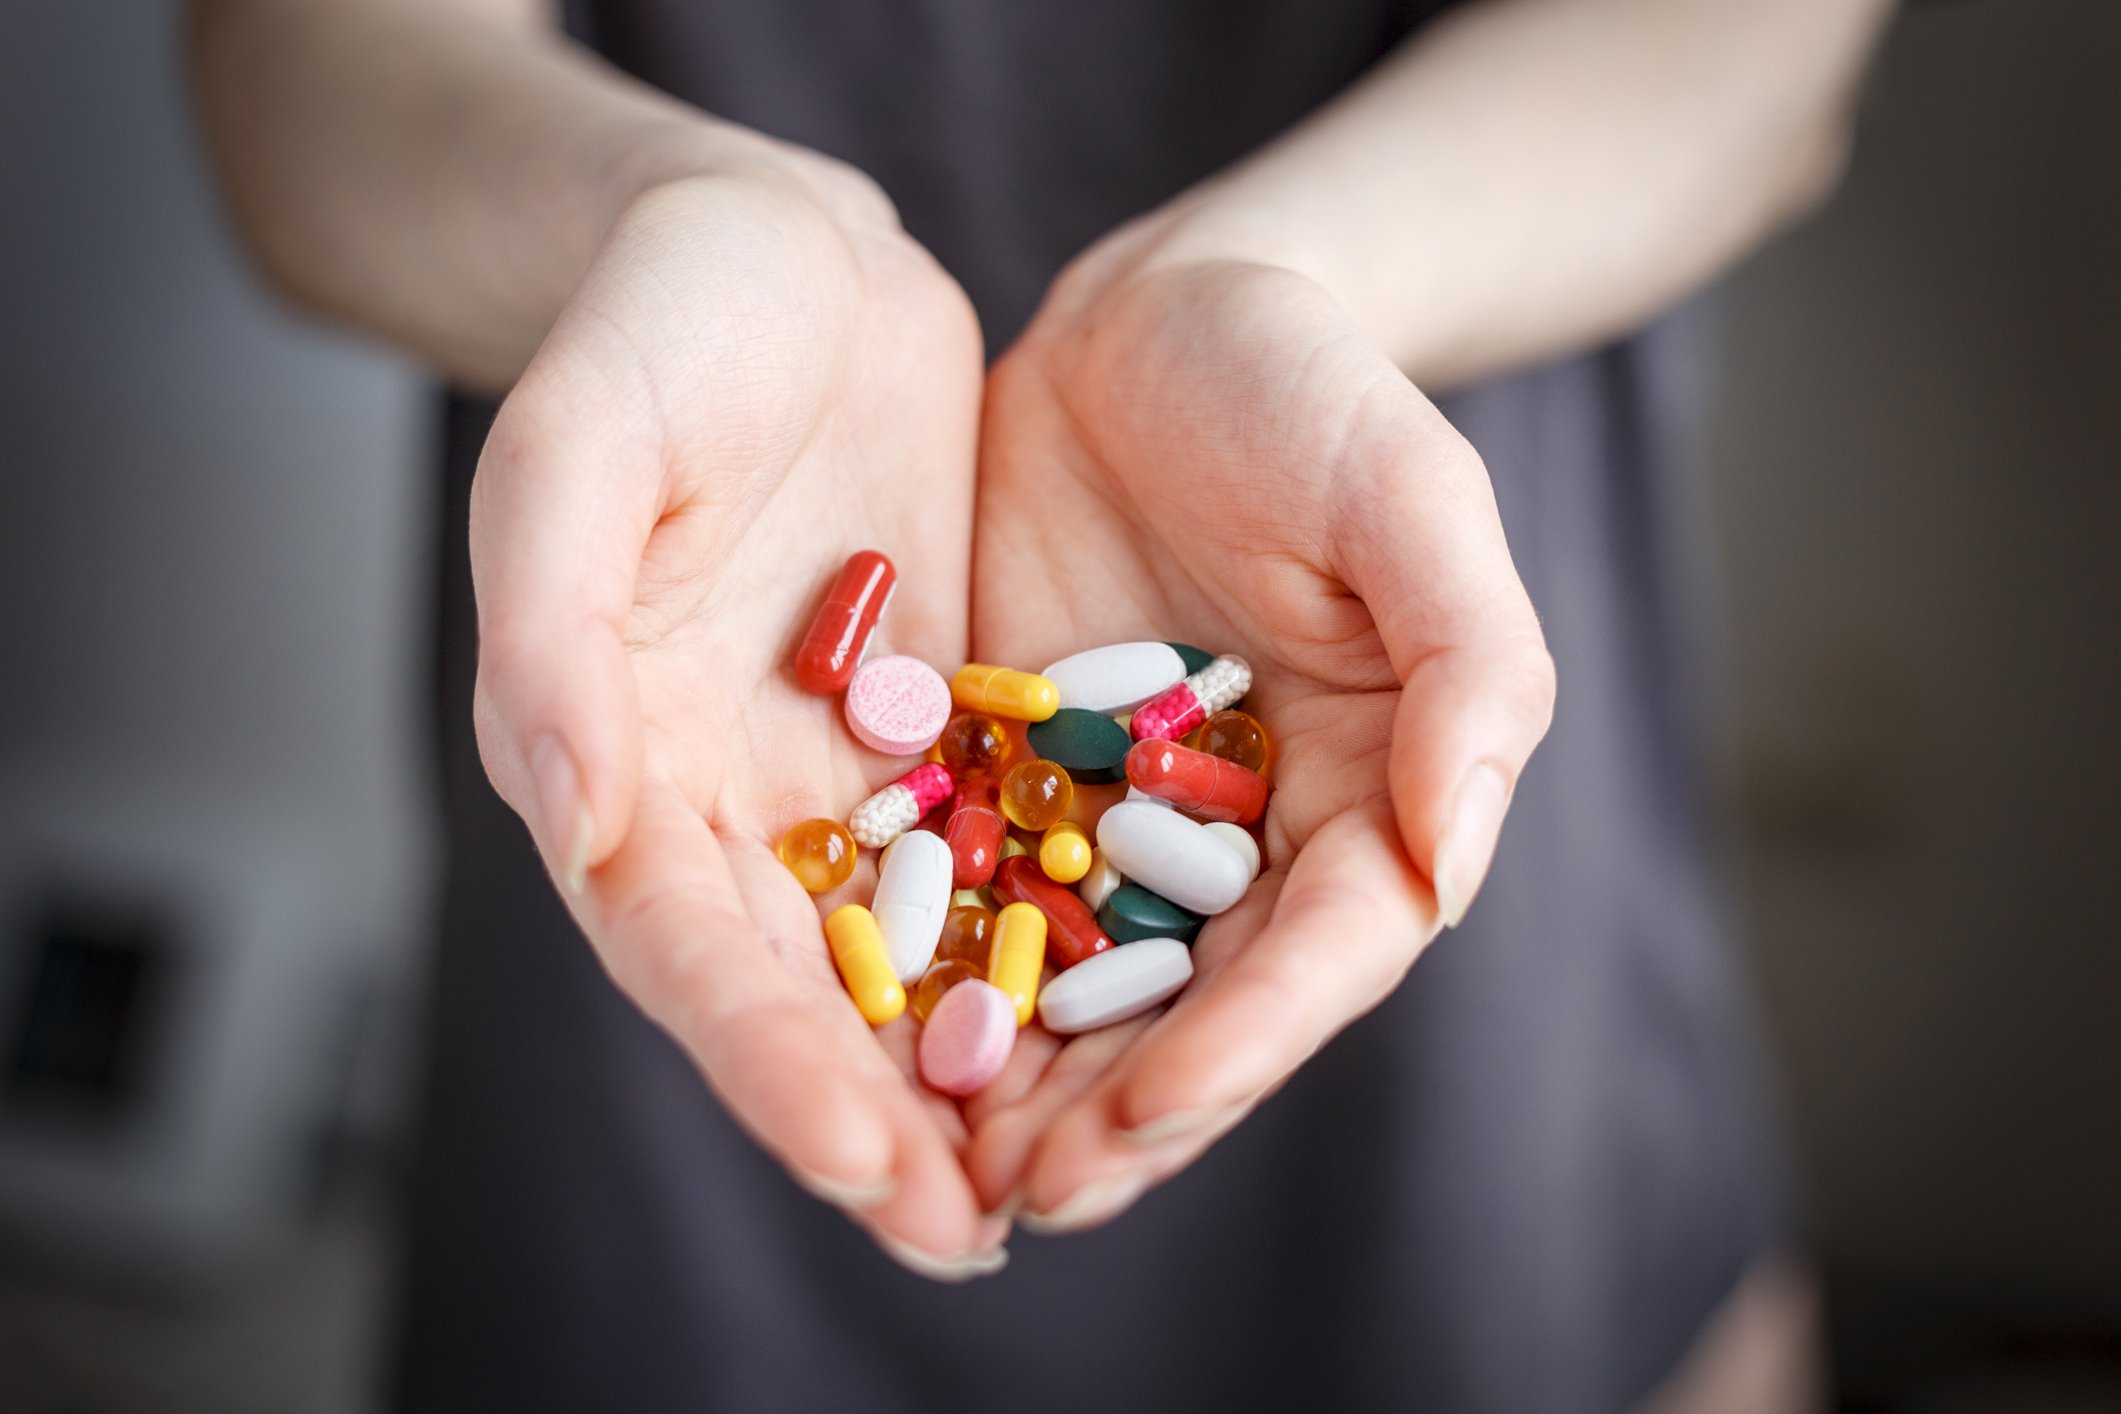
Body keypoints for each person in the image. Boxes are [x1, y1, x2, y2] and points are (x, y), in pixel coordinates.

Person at [188, 0, 1893, 1408]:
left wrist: (1286, 279)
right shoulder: (950, 806)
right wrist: (667, 215)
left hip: (1403, 830)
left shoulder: (1088, 791)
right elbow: (297, 75)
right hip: (689, 838)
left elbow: (1753, 57)